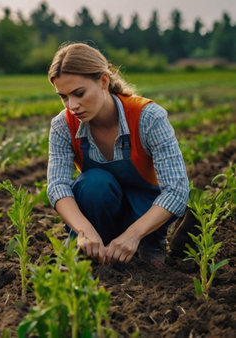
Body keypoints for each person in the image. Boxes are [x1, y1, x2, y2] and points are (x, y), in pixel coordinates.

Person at [46, 42, 189, 268]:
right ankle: (88, 243)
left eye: (79, 93)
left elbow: (177, 190)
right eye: (64, 97)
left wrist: (133, 234)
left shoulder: (148, 117)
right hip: (100, 210)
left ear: (103, 81)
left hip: (142, 212)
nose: (72, 105)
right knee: (93, 184)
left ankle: (150, 241)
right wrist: (84, 230)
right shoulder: (63, 125)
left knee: (153, 205)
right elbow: (57, 187)